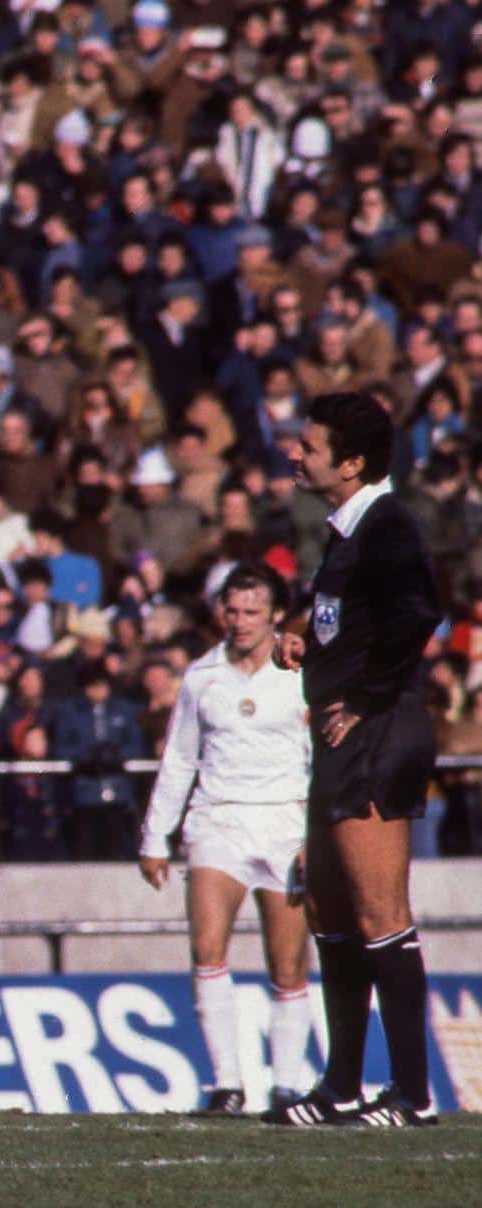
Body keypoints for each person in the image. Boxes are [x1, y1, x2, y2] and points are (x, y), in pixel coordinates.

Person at [267, 393, 443, 1127]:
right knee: (328, 910)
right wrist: (307, 638)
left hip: (377, 734)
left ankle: (411, 1094)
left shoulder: (388, 527)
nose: (293, 454)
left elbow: (416, 613)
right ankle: (340, 1086)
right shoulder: (347, 532)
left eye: (307, 446)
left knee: (379, 914)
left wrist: (365, 697)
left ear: (350, 462)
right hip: (338, 739)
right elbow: (356, 618)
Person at [139, 565, 313, 1116]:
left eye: (252, 612)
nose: (239, 623)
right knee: (207, 950)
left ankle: (286, 1084)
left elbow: (321, 757)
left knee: (287, 965)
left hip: (287, 824)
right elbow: (180, 757)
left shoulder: (301, 672)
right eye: (232, 611)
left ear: (275, 616)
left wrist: (317, 833)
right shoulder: (201, 676)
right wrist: (155, 836)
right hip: (217, 820)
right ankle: (227, 1084)